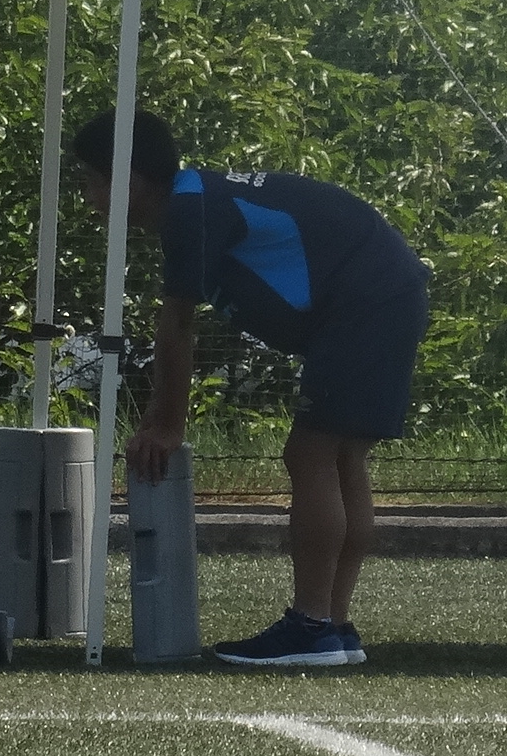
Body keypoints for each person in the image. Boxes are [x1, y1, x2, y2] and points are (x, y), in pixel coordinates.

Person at [71, 108, 430, 667]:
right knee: (342, 458)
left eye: (93, 182)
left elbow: (177, 325)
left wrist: (166, 425)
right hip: (387, 291)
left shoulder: (188, 210)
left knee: (311, 453)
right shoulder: (193, 200)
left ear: (130, 179)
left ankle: (312, 626)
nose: (90, 199)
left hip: (367, 299)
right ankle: (334, 628)